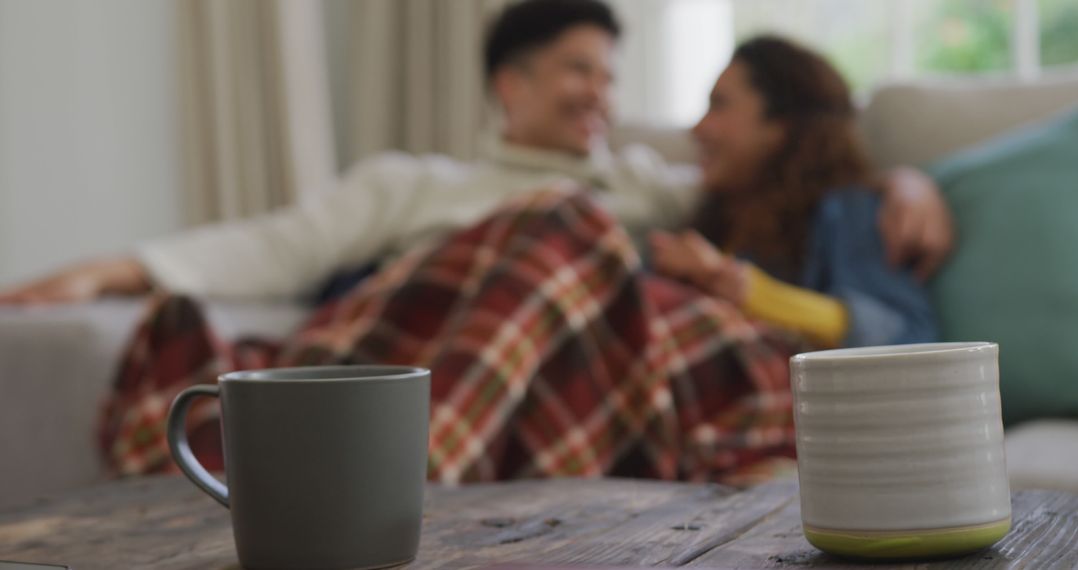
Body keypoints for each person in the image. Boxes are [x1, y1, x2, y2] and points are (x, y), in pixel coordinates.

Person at [0, 0, 952, 306]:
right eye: (579, 71)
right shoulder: (414, 182)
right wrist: (112, 269)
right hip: (431, 337)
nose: (602, 98)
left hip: (573, 363)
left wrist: (910, 176)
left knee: (569, 229)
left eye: (611, 79)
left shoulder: (642, 188)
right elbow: (274, 246)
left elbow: (812, 172)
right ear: (514, 85)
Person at [650, 36, 936, 348]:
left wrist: (748, 291)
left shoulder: (846, 208)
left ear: (779, 127)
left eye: (719, 105)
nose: (698, 128)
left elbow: (907, 333)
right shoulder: (713, 210)